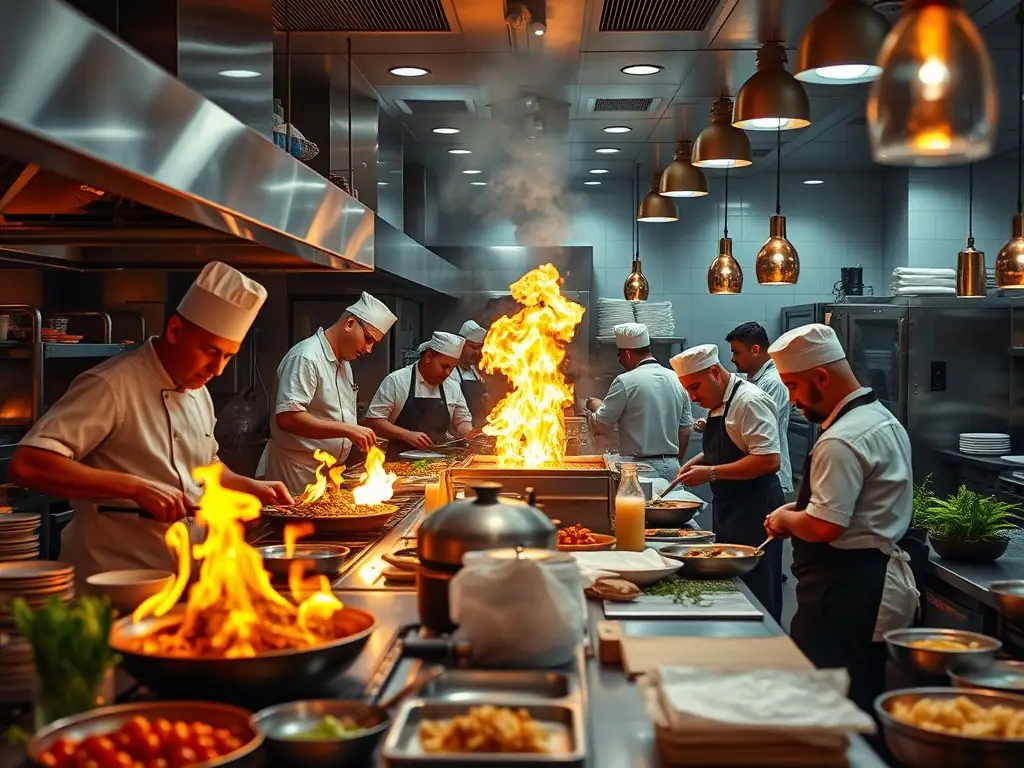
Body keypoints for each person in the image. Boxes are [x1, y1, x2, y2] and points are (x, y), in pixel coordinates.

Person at [8, 262, 292, 583]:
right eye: (210, 351)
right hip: (113, 584)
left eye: (228, 356)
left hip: (183, 582)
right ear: (174, 331)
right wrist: (135, 487)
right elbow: (29, 463)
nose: (218, 369)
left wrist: (252, 487)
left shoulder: (197, 390)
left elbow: (203, 465)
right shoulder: (112, 385)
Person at [764, 323, 920, 714]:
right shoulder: (880, 418)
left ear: (820, 376)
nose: (792, 399)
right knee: (863, 692)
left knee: (832, 704)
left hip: (845, 595)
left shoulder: (841, 438)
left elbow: (824, 526)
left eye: (794, 387)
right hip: (868, 582)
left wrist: (786, 520)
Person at [670, 344, 784, 620]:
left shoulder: (749, 401)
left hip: (756, 510)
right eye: (688, 390)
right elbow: (732, 445)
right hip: (731, 508)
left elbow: (768, 459)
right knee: (735, 586)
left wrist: (710, 473)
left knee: (757, 587)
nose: (693, 396)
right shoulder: (719, 402)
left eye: (695, 387)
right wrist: (701, 459)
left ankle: (765, 646)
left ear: (715, 373)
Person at [259, 292, 398, 494]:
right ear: (350, 323)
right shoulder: (306, 357)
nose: (368, 349)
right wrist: (348, 430)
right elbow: (288, 418)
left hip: (330, 472)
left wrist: (355, 434)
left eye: (374, 344)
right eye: (368, 339)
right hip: (298, 471)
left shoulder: (345, 365)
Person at [585, 323, 693, 482]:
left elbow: (601, 424)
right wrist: (674, 462)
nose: (619, 360)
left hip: (638, 469)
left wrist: (594, 405)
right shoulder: (676, 379)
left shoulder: (625, 381)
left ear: (628, 354)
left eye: (619, 355)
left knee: (638, 507)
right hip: (671, 467)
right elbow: (685, 430)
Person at [364, 332, 474, 459]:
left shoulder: (452, 386)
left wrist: (469, 433)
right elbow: (373, 422)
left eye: (452, 368)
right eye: (444, 366)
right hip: (398, 462)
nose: (448, 373)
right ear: (428, 357)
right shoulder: (397, 381)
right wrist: (406, 435)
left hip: (440, 461)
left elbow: (462, 419)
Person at [726, 322, 793, 498]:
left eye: (736, 352)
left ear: (755, 350)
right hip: (755, 476)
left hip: (770, 477)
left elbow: (761, 428)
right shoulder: (751, 378)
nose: (732, 358)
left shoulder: (772, 382)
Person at [454, 319, 490, 426]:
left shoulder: (475, 371)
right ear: (461, 345)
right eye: (473, 347)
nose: (476, 352)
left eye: (479, 348)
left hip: (478, 428)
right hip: (458, 431)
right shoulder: (450, 372)